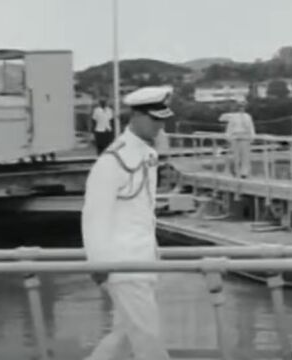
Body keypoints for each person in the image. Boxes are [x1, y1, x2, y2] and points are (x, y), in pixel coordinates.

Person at [81, 86, 174, 360]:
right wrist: (98, 263)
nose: (160, 126)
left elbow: (142, 213)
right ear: (136, 116)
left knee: (122, 336)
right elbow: (95, 216)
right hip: (123, 264)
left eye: (163, 120)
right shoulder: (113, 161)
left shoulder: (146, 156)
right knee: (148, 338)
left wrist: (153, 253)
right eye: (155, 120)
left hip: (142, 261)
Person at [219, 100, 255, 178]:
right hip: (235, 137)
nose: (241, 108)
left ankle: (244, 173)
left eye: (243, 107)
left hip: (245, 137)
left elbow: (251, 127)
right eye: (240, 107)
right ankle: (236, 171)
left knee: (245, 156)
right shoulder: (233, 117)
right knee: (236, 156)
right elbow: (230, 127)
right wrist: (228, 137)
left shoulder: (247, 116)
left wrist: (252, 137)